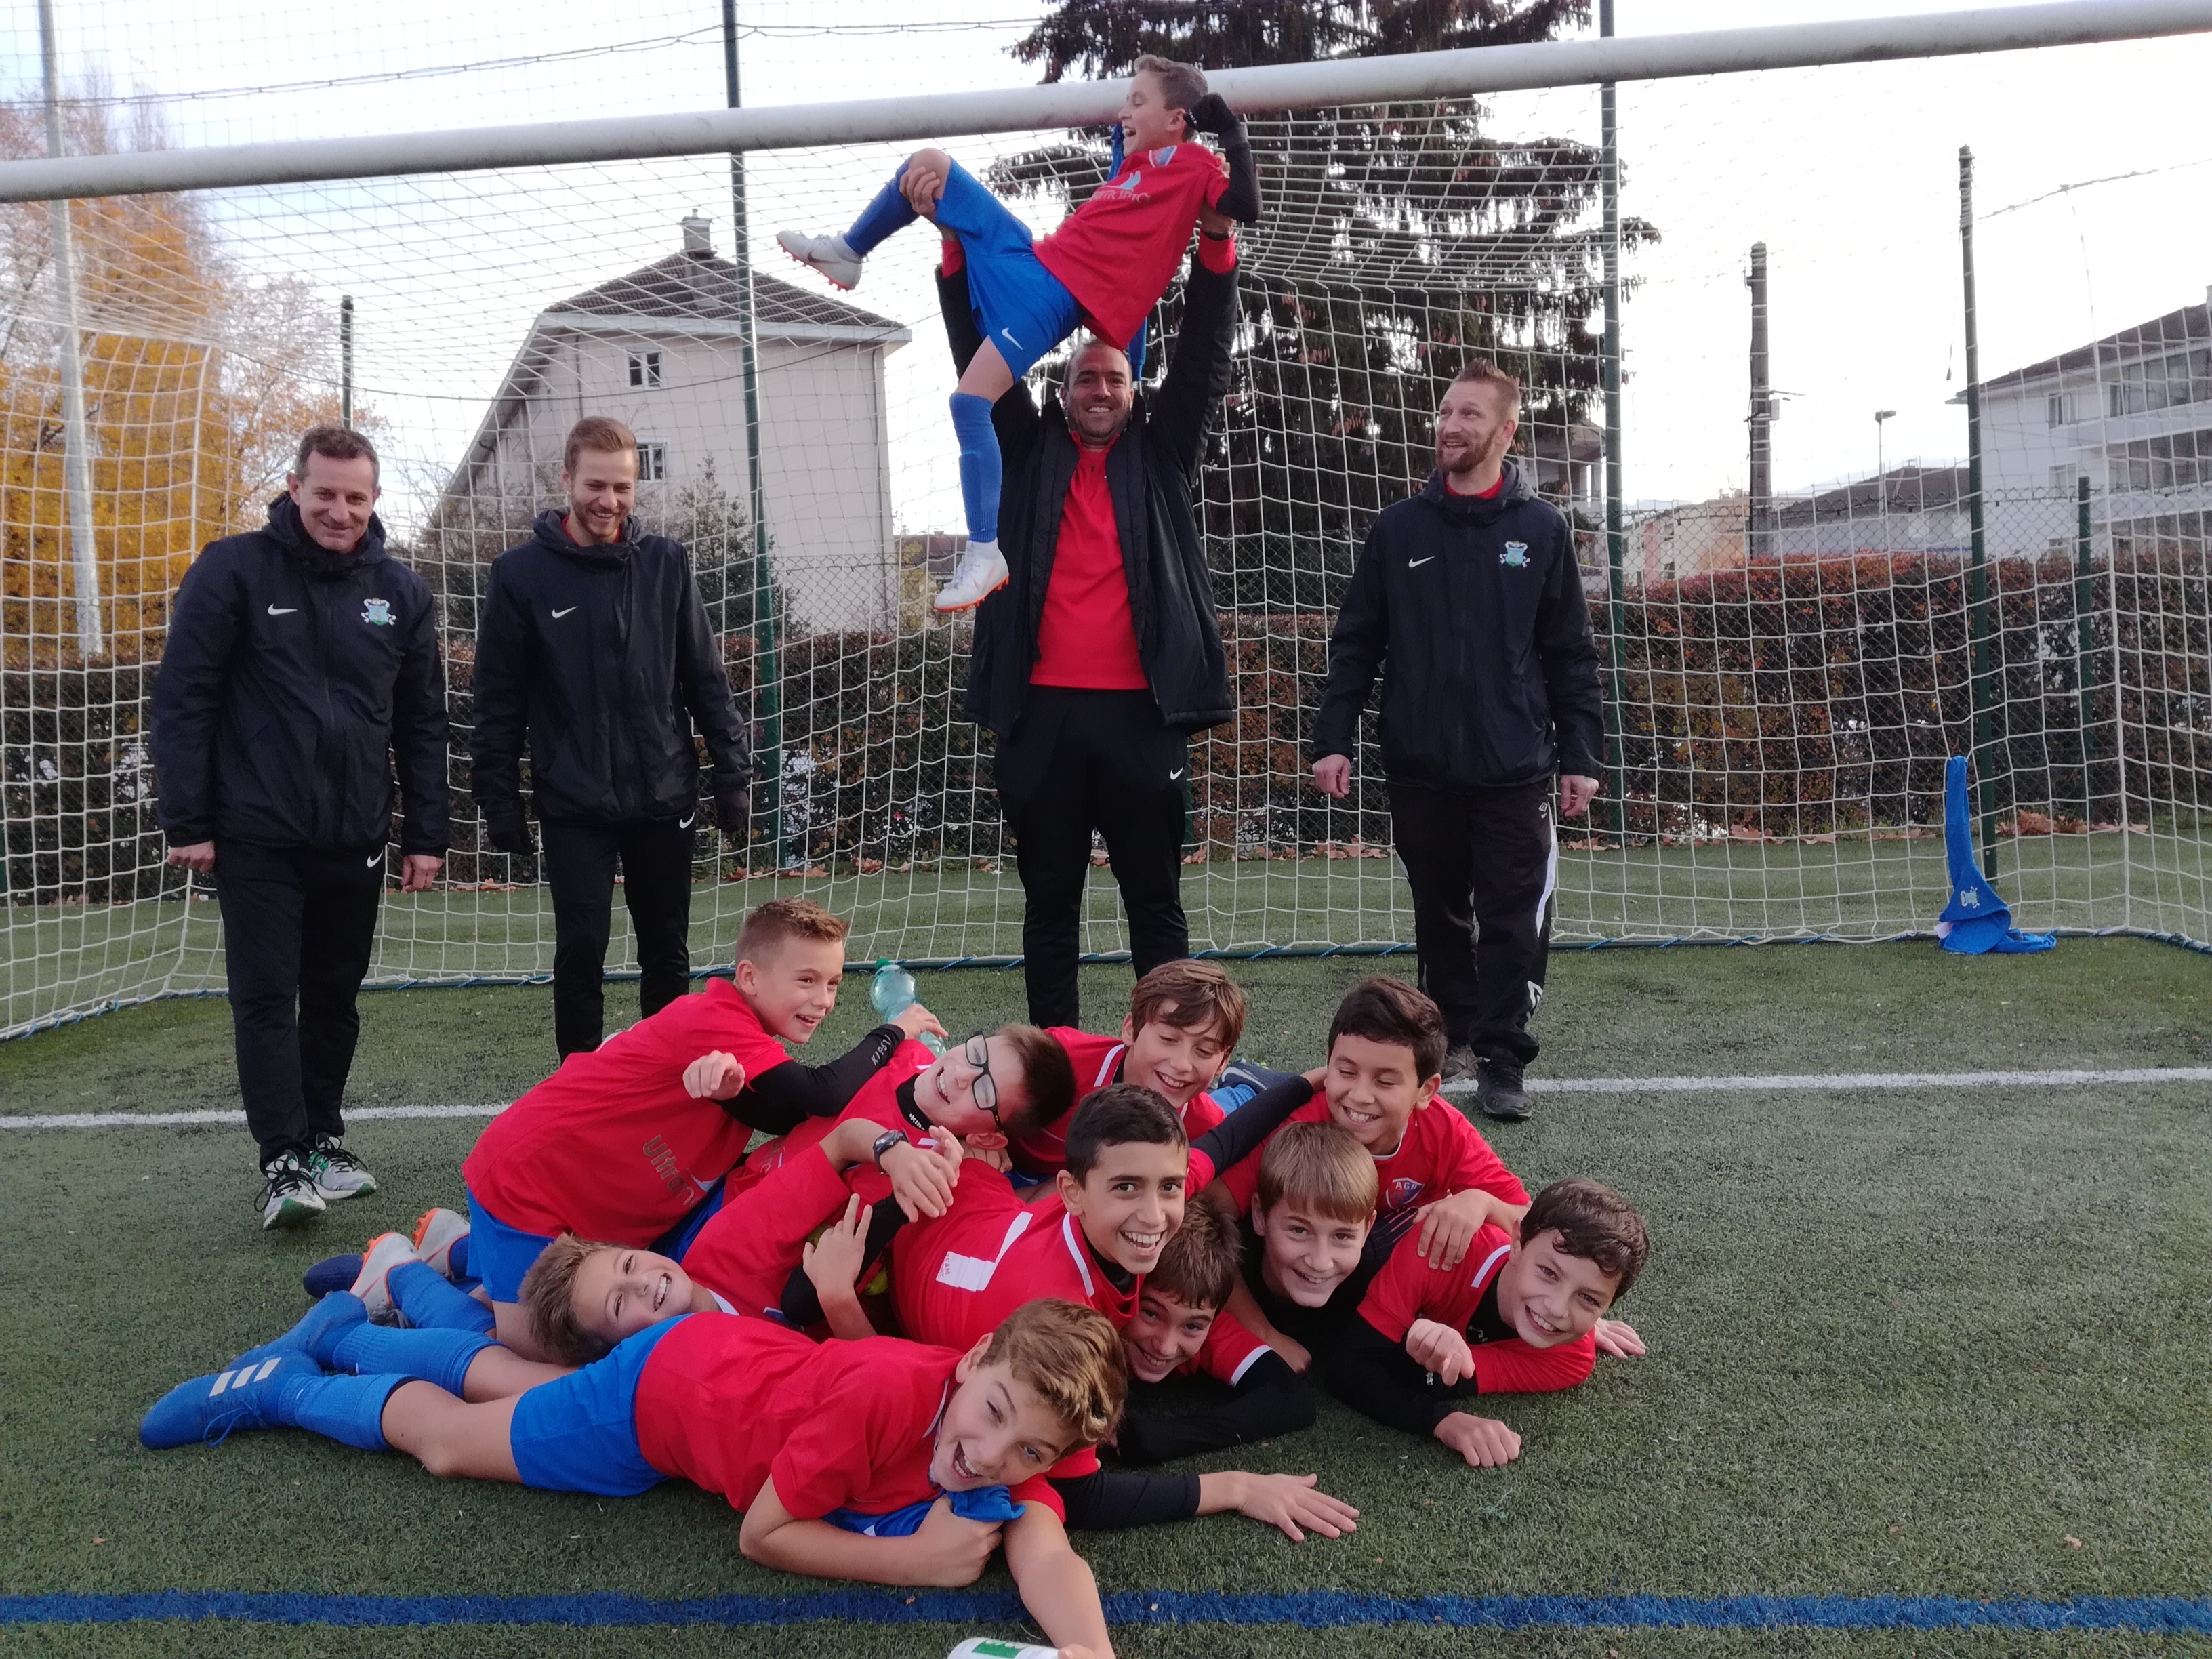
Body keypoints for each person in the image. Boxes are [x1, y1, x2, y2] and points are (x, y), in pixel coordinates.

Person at [140, 1296, 1124, 1656]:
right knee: (455, 1443)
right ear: (972, 1360)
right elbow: (765, 1536)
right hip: (663, 1400)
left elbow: (1047, 1547)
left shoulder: (1025, 1436)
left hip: (725, 1364)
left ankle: (349, 1332)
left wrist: (1090, 1651)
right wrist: (915, 1563)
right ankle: (280, 1389)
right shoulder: (884, 1398)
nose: (994, 1456)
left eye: (1031, 1452)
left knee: (521, 1390)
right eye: (994, 1414)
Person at [777, 55, 1258, 614]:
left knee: (970, 403)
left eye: (1137, 102)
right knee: (929, 163)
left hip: (1055, 297)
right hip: (1035, 261)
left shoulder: (1195, 165)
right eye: (1125, 102)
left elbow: (1244, 204)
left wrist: (1230, 129)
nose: (1125, 111)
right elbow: (1123, 173)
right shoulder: (1133, 168)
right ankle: (849, 250)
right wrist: (951, 229)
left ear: (1177, 119)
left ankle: (984, 552)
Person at [936, 192, 1244, 1035]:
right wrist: (956, 261)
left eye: (1114, 376)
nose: (1100, 388)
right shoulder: (1025, 450)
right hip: (1040, 718)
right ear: (1061, 389)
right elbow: (974, 354)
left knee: (1156, 901)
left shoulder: (1164, 452)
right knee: (1050, 904)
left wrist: (1215, 246)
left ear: (1133, 390)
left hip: (1144, 717)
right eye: (1084, 376)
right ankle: (1054, 1059)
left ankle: (1167, 1052)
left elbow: (1205, 356)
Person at [150, 424, 449, 1231]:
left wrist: (426, 833)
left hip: (356, 833)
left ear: (375, 499)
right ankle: (282, 1159)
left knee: (334, 997)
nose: (339, 511)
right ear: (294, 488)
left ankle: (323, 1140)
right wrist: (189, 818)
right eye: (324, 494)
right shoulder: (233, 569)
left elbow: (422, 723)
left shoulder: (401, 593)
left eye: (355, 497)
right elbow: (184, 699)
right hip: (257, 833)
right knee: (264, 997)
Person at [1310, 359, 1607, 1121]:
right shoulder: (1399, 529)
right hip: (1421, 766)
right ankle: (1454, 1037)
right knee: (1439, 916)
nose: (1450, 425)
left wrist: (1581, 756)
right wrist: (1333, 738)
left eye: (1469, 414)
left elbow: (1569, 654)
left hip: (1515, 769)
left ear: (1506, 432)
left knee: (1513, 920)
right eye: (1446, 412)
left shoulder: (1541, 530)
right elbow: (1357, 643)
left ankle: (1503, 1057)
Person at [457, 899, 943, 1357]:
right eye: (807, 980)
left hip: (597, 1205)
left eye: (833, 984)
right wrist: (894, 1031)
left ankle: (457, 1251)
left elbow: (790, 1114)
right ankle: (415, 1282)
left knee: (578, 1310)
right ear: (749, 977)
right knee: (533, 1355)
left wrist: (731, 1094)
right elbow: (822, 1095)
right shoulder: (713, 1017)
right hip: (529, 1186)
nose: (823, 1000)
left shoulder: (742, 1040)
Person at [470, 415, 752, 1060]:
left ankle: (667, 1086)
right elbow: (498, 698)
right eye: (595, 485)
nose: (608, 501)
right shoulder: (520, 574)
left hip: (664, 794)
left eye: (622, 487)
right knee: (580, 953)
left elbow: (705, 678)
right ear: (566, 479)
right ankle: (578, 1092)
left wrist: (731, 775)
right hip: (574, 802)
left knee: (667, 953)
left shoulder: (666, 563)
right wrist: (498, 799)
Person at [1207, 977, 1529, 1371]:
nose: (1360, 1096)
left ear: (1426, 1091)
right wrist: (1262, 1333)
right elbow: (1203, 1217)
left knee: (1437, 1226)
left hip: (1355, 1258)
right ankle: (1247, 1083)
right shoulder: (1292, 1125)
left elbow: (1527, 1222)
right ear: (1328, 1064)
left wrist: (1481, 1203)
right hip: (1277, 1268)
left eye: (1385, 1081)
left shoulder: (1443, 1130)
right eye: (1346, 1072)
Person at [1326, 1177, 1650, 1469]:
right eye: (1548, 1273)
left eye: (1588, 1299)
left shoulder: (1571, 1359)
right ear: (1517, 1242)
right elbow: (1344, 1367)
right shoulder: (1440, 1248)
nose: (1556, 1309)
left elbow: (1433, 1379)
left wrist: (1420, 1348)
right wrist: (1441, 1420)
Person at [1012, 958, 1244, 1179]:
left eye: (1204, 1051)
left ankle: (1245, 1087)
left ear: (1223, 1062)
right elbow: (990, 1074)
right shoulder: (1055, 1059)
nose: (1182, 1064)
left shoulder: (1208, 1129)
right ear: (1131, 1030)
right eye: (1168, 1039)